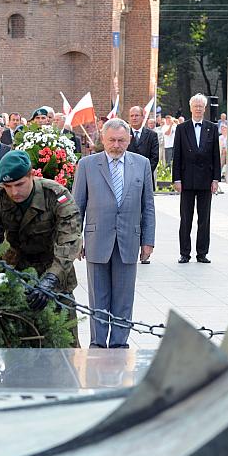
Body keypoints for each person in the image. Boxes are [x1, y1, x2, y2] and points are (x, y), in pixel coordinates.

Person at [0, 150, 83, 346]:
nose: (14, 192)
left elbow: (69, 242)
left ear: (32, 176)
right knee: (19, 345)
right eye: (8, 186)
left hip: (55, 271)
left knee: (64, 346)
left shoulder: (55, 196)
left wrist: (50, 280)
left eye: (19, 184)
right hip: (17, 272)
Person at [72, 118, 155, 348]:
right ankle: (98, 343)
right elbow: (76, 206)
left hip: (129, 240)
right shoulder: (87, 165)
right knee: (98, 298)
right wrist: (76, 237)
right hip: (97, 240)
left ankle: (119, 344)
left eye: (121, 140)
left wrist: (148, 241)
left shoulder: (142, 164)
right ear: (103, 139)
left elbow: (148, 205)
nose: (116, 145)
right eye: (112, 140)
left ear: (129, 140)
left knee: (124, 298)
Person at [172, 93, 221, 264]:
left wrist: (216, 179)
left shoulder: (212, 128)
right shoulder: (181, 128)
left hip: (206, 179)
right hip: (187, 179)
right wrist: (176, 179)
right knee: (186, 218)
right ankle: (184, 253)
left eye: (201, 106)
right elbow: (176, 155)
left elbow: (216, 155)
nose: (198, 109)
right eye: (196, 106)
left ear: (205, 108)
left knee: (204, 218)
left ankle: (202, 253)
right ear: (191, 108)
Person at [127, 106, 160, 195]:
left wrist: (144, 172)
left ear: (142, 117)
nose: (134, 118)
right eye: (132, 115)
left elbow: (155, 157)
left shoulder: (152, 135)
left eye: (137, 115)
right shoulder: (124, 135)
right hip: (126, 178)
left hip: (146, 178)